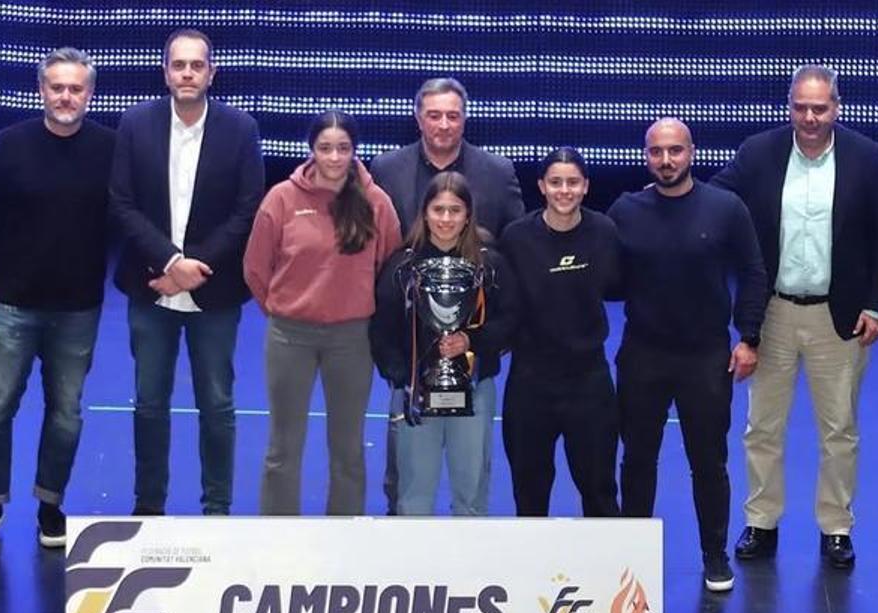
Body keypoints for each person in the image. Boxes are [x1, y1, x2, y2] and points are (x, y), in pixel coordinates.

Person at [710, 65, 878, 569]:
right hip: (770, 314)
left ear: (837, 106)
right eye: (801, 107)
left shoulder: (866, 156)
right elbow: (713, 201)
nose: (810, 118)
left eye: (820, 108)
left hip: (838, 318)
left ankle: (836, 526)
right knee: (762, 426)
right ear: (788, 105)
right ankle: (761, 521)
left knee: (839, 429)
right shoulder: (758, 153)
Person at [0, 47, 114, 551]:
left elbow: (133, 219)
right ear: (41, 90)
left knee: (65, 413)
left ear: (89, 94)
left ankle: (51, 505)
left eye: (76, 88)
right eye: (57, 87)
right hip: (10, 305)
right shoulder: (7, 147)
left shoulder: (111, 150)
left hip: (78, 309)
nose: (66, 96)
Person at [607, 118, 767, 592]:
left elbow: (753, 271)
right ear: (645, 156)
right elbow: (605, 276)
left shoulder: (726, 208)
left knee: (709, 462)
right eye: (657, 152)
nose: (666, 160)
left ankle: (715, 556)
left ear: (692, 152)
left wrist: (749, 337)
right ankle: (632, 556)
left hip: (705, 357)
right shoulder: (625, 211)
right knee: (637, 460)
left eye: (675, 151)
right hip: (643, 356)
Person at [109, 28, 264, 516]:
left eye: (197, 65)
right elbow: (122, 202)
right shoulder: (134, 124)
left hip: (213, 293)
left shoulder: (241, 129)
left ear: (211, 73)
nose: (188, 73)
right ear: (166, 72)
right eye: (179, 65)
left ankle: (216, 509)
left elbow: (247, 208)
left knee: (216, 406)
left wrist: (196, 266)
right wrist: (171, 263)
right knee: (149, 404)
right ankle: (148, 507)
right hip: (151, 286)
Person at [370, 77, 526, 514]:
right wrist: (398, 365)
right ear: (418, 116)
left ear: (465, 118)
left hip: (474, 364)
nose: (443, 124)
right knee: (406, 477)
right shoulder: (385, 170)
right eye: (434, 114)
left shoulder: (497, 172)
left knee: (471, 477)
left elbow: (515, 254)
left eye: (452, 115)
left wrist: (481, 341)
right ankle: (406, 561)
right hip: (411, 358)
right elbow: (376, 255)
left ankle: (468, 567)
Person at [244, 110, 401, 515]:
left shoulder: (376, 203)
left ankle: (342, 533)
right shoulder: (281, 199)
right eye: (325, 148)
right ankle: (279, 535)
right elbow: (257, 269)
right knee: (283, 445)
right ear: (311, 150)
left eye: (343, 148)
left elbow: (390, 269)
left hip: (351, 340)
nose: (334, 157)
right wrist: (287, 310)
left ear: (354, 151)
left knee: (348, 447)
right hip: (289, 337)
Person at [499, 148, 621, 518]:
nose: (564, 190)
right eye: (555, 182)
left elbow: (619, 285)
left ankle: (604, 570)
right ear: (541, 186)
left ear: (585, 187)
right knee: (529, 487)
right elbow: (504, 303)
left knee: (598, 487)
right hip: (530, 380)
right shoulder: (517, 237)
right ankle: (532, 571)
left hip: (589, 380)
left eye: (572, 182)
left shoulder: (604, 231)